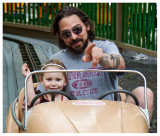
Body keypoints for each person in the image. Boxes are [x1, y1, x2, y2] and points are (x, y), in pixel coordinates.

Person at [47, 6, 153, 121]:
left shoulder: (106, 47)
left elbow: (120, 64)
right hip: (75, 120)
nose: (73, 36)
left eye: (77, 29)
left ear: (87, 26)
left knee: (144, 93)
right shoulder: (57, 59)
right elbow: (43, 94)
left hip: (110, 116)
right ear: (61, 37)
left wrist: (100, 57)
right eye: (66, 34)